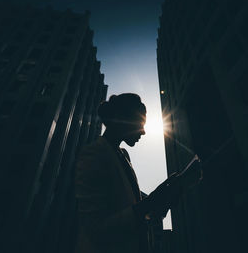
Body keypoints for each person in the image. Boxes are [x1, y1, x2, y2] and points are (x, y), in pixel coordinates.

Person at [74, 93, 198, 253]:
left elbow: (132, 209)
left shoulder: (123, 155)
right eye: (140, 124)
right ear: (121, 119)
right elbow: (96, 230)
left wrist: (164, 197)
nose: (144, 132)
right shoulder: (94, 154)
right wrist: (152, 201)